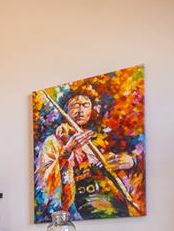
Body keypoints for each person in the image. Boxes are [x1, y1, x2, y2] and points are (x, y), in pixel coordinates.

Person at [36, 90, 138, 219]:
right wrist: (67, 151)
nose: (80, 111)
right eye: (75, 105)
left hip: (115, 206)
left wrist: (130, 162)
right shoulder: (54, 141)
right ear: (65, 110)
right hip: (79, 211)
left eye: (85, 105)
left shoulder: (101, 139)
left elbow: (127, 169)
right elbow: (45, 183)